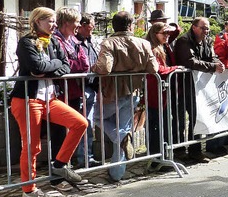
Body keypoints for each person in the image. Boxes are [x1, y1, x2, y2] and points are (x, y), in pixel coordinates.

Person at [11, 7, 88, 197]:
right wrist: (51, 67)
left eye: (55, 21)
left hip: (50, 99)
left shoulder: (54, 41)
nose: (54, 25)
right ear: (37, 21)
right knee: (32, 146)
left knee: (80, 123)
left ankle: (60, 164)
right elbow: (36, 67)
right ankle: (29, 189)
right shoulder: (26, 42)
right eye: (50, 21)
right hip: (28, 99)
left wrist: (48, 68)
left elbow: (66, 65)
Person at [92, 11, 159, 182]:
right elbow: (154, 68)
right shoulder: (143, 43)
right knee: (122, 128)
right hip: (133, 92)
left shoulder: (108, 43)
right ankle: (117, 173)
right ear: (131, 26)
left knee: (96, 117)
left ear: (114, 26)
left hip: (112, 93)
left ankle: (121, 138)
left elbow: (104, 68)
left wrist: (94, 68)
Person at [174, 17, 224, 163]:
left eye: (207, 28)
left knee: (197, 119)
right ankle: (179, 151)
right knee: (181, 121)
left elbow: (212, 56)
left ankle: (195, 151)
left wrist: (217, 63)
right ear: (194, 27)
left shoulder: (207, 40)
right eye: (203, 28)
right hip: (184, 86)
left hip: (199, 88)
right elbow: (189, 61)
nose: (206, 31)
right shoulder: (184, 40)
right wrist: (212, 67)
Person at [50, 6, 90, 191]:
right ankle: (56, 178)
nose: (78, 25)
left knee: (72, 133)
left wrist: (74, 66)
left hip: (73, 92)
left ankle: (66, 169)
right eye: (76, 22)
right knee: (59, 134)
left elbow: (84, 64)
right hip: (59, 94)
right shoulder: (55, 40)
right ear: (66, 22)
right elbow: (65, 67)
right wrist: (73, 66)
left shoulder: (73, 40)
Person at [145, 22, 182, 170]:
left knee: (164, 125)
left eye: (168, 33)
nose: (167, 36)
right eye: (164, 33)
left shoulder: (164, 45)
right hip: (155, 92)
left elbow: (176, 31)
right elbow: (157, 69)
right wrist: (175, 68)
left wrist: (168, 26)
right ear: (155, 34)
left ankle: (163, 157)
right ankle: (156, 158)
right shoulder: (152, 48)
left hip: (164, 92)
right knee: (156, 126)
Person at [74, 13, 100, 168]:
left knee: (88, 124)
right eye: (92, 24)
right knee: (83, 124)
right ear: (83, 26)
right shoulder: (76, 42)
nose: (94, 27)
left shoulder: (89, 42)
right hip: (80, 88)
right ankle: (82, 158)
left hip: (90, 88)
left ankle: (86, 157)